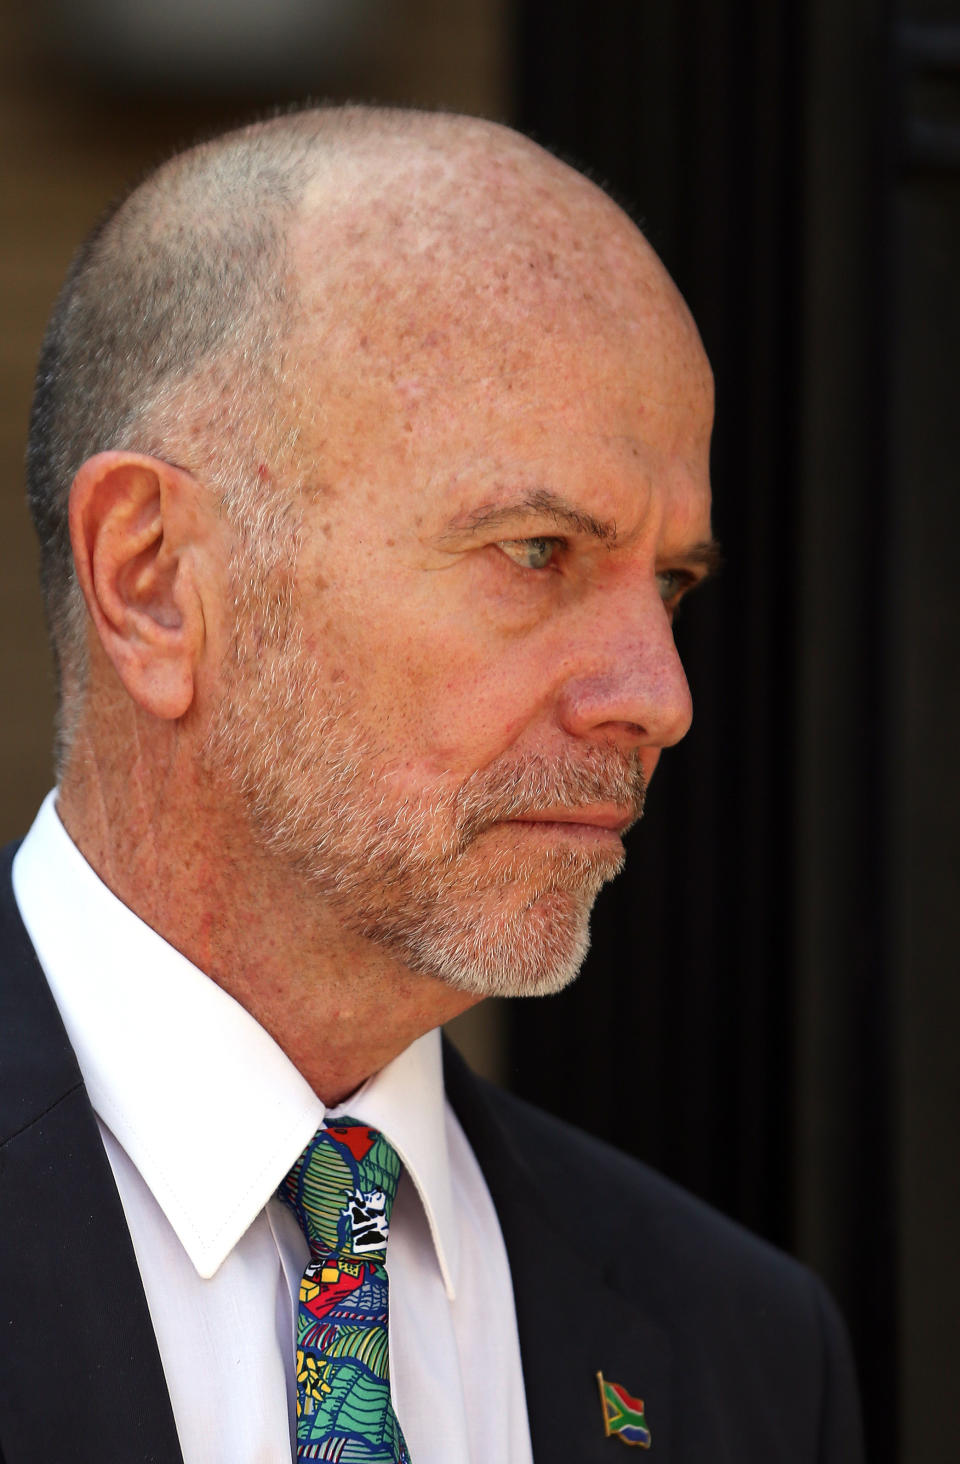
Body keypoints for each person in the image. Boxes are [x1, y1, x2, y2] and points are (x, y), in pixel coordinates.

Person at [0, 107, 863, 1464]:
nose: (660, 696)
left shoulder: (744, 1350)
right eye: (537, 553)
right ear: (154, 579)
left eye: (673, 585)